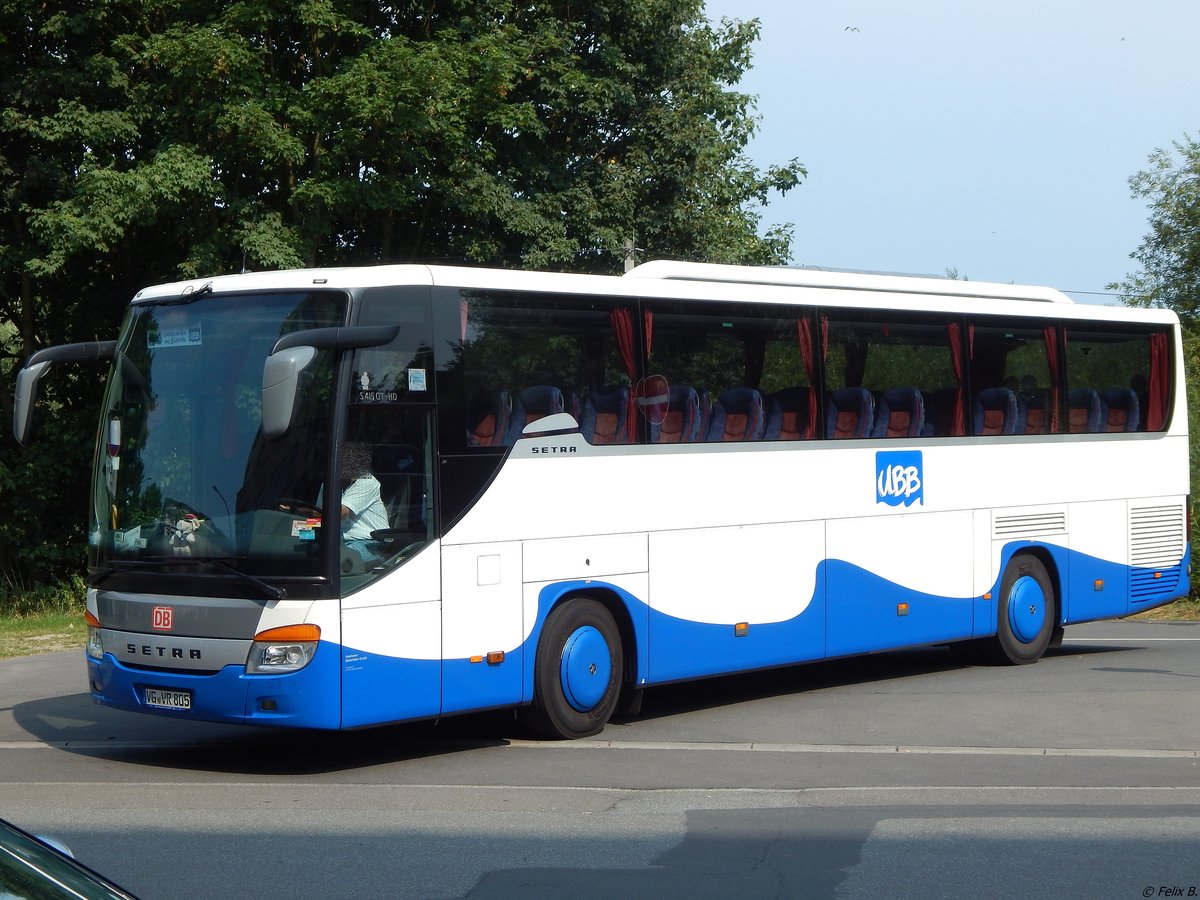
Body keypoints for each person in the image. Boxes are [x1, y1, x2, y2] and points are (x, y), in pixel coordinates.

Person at [338, 443, 389, 562]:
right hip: (341, 540)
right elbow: (318, 513)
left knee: (336, 560)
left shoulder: (367, 481)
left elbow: (341, 513)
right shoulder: (331, 483)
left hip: (371, 543)